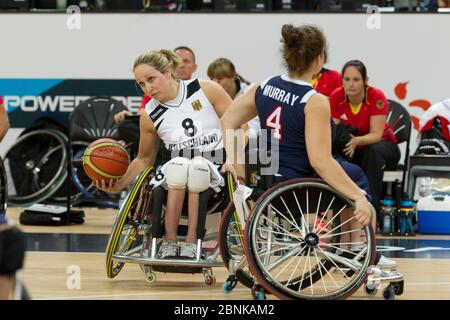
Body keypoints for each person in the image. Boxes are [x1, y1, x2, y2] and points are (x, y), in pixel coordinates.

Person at [220, 24, 396, 268]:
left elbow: (228, 119)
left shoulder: (264, 85)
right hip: (294, 190)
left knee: (346, 171)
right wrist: (358, 198)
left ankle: (349, 249)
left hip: (263, 180)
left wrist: (234, 160)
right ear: (319, 58)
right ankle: (355, 250)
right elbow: (320, 161)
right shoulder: (314, 101)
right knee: (354, 176)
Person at [96, 49, 232, 259]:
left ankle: (191, 241)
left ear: (167, 72)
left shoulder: (205, 89)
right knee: (178, 166)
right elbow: (144, 159)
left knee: (196, 166)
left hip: (214, 168)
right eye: (141, 84)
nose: (148, 88)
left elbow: (237, 125)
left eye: (151, 79)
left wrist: (236, 159)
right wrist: (119, 183)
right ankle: (168, 240)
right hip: (177, 172)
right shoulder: (149, 114)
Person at [329, 60, 400, 217]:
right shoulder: (335, 97)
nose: (351, 84)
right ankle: (339, 214)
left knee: (371, 153)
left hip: (383, 145)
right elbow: (334, 132)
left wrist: (356, 141)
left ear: (365, 81)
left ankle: (371, 211)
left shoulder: (376, 96)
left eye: (356, 79)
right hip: (354, 146)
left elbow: (376, 134)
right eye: (347, 79)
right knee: (335, 154)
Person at [114, 46, 198, 158]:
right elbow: (144, 115)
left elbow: (227, 123)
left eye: (186, 61)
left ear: (194, 67)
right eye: (142, 84)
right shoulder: (153, 91)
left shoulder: (202, 89)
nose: (181, 64)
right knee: (127, 125)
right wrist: (131, 116)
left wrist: (229, 159)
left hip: (197, 143)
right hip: (166, 140)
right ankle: (163, 154)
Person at [207, 57, 260, 142]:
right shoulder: (209, 95)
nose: (214, 83)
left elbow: (255, 130)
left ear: (232, 76)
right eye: (211, 79)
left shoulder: (251, 93)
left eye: (219, 79)